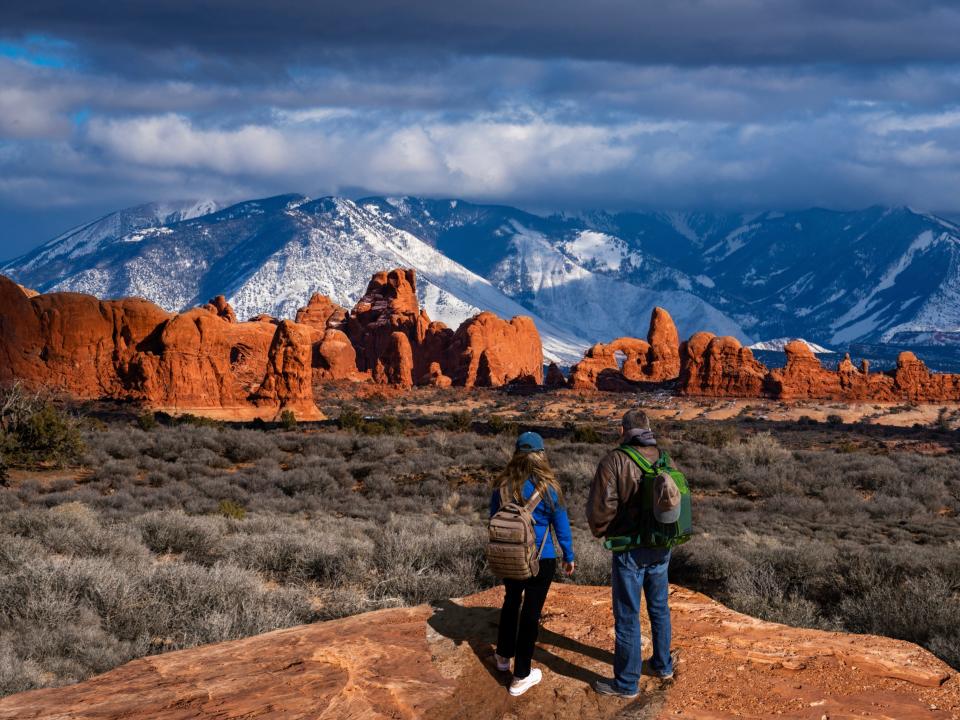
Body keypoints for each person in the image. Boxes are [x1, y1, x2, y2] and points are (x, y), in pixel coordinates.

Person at [587, 410, 675, 699]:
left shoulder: (614, 460)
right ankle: (662, 665)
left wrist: (603, 531)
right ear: (647, 429)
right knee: (659, 608)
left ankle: (626, 683)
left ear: (622, 430)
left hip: (629, 550)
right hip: (661, 546)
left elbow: (601, 509)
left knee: (627, 615)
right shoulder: (662, 457)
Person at [490, 431, 575, 697]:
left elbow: (494, 519)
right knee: (530, 615)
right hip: (541, 557)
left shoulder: (502, 484)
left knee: (511, 602)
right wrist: (568, 556)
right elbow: (561, 527)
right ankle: (521, 676)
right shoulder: (549, 487)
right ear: (540, 455)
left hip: (510, 556)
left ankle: (503, 657)